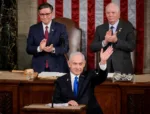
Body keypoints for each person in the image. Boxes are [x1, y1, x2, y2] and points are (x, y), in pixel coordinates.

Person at [53, 46, 113, 114]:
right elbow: (55, 101)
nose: (78, 67)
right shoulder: (61, 81)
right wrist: (67, 103)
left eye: (80, 64)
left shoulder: (89, 76)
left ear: (84, 64)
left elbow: (101, 77)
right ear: (69, 64)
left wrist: (103, 62)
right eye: (75, 63)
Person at [90, 2, 136, 74]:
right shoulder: (100, 28)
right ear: (105, 14)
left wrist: (117, 41)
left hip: (123, 68)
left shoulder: (127, 27)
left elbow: (131, 46)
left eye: (113, 12)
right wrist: (104, 42)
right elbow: (92, 47)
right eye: (108, 13)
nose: (110, 15)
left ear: (119, 14)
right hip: (105, 67)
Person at [26, 3, 69, 73]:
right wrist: (39, 48)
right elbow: (28, 49)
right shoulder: (33, 29)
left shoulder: (61, 27)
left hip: (58, 66)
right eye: (42, 14)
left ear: (52, 14)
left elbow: (65, 48)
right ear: (39, 15)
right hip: (38, 67)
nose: (45, 17)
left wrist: (53, 49)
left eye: (47, 14)